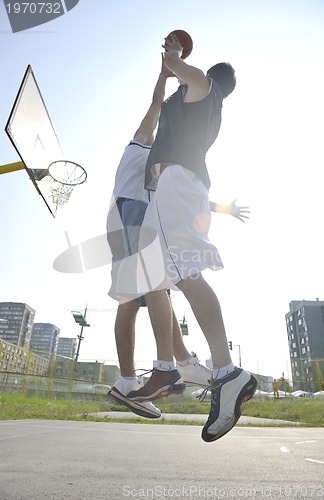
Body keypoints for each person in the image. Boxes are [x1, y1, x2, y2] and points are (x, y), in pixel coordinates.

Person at [127, 34, 257, 442]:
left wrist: (175, 53)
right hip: (174, 187)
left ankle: (226, 371)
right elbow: (164, 86)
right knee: (158, 279)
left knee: (185, 274)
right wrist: (167, 67)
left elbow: (182, 71)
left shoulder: (203, 86)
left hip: (177, 183)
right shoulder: (188, 101)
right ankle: (170, 366)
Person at [106, 55, 212, 420]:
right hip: (133, 210)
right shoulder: (140, 144)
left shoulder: (160, 164)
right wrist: (165, 75)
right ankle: (177, 363)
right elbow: (155, 105)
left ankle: (125, 382)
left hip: (122, 217)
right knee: (158, 284)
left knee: (130, 299)